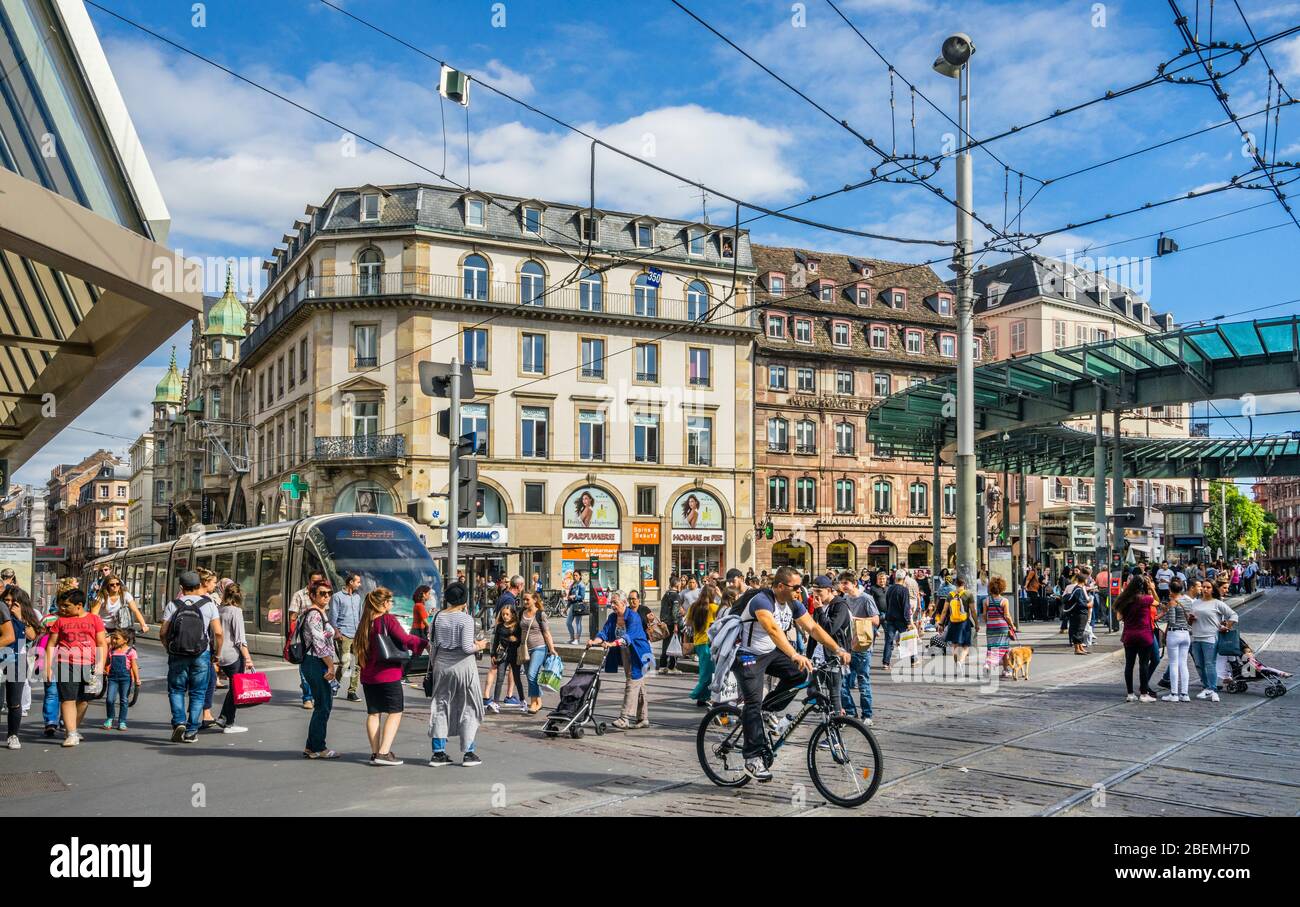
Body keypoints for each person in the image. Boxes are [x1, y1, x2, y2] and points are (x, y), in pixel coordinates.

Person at [731, 566, 852, 782]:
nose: (800, 591)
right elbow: (773, 630)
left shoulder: (793, 604)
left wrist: (838, 649)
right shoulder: (762, 600)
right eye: (796, 587)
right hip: (747, 655)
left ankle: (768, 710)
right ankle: (752, 758)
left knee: (799, 675)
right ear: (780, 586)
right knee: (752, 703)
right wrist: (795, 654)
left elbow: (813, 628)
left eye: (801, 586)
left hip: (770, 652)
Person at [352, 587, 428, 766]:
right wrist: (425, 643)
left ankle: (375, 752)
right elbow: (405, 639)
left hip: (368, 675)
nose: (392, 604)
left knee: (373, 713)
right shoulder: (387, 619)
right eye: (391, 601)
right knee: (395, 711)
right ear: (384, 603)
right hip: (388, 674)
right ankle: (384, 752)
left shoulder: (365, 622)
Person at [427, 581, 487, 766]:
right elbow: (467, 647)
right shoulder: (466, 619)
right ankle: (469, 752)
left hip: (442, 666)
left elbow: (433, 645)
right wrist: (481, 645)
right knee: (469, 706)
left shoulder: (437, 617)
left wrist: (433, 666)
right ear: (464, 599)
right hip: (463, 667)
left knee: (441, 705)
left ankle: (438, 752)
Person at [161, 570, 222, 743]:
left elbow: (163, 632)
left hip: (177, 653)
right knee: (198, 692)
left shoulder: (173, 605)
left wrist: (168, 648)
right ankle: (191, 731)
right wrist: (217, 652)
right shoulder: (209, 604)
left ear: (182, 587)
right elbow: (218, 633)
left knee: (176, 689)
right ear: (199, 586)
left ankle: (179, 722)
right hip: (201, 653)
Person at [42, 589, 106, 747]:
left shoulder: (94, 619)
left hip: (90, 665)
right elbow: (51, 644)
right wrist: (48, 667)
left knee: (84, 700)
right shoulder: (60, 622)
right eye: (62, 606)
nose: (62, 609)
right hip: (65, 665)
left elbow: (101, 643)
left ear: (79, 606)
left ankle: (73, 729)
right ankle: (71, 733)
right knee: (67, 699)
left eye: (66, 606)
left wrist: (100, 665)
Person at [589, 591, 655, 730]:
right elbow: (604, 632)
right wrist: (594, 641)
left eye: (615, 603)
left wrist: (612, 644)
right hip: (626, 652)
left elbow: (628, 636)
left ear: (624, 603)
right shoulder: (613, 617)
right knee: (639, 685)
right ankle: (643, 718)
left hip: (640, 653)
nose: (612, 605)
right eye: (611, 602)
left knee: (632, 682)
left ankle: (624, 718)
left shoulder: (633, 617)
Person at [299, 579, 339, 758]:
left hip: (318, 661)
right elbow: (319, 642)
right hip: (316, 662)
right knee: (323, 705)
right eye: (322, 593)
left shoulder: (320, 613)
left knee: (323, 704)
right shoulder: (314, 615)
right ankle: (319, 748)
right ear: (313, 595)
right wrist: (330, 665)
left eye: (329, 593)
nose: (327, 597)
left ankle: (311, 747)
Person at [834, 572, 878, 725]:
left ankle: (867, 715)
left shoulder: (866, 599)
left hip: (863, 645)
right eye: (841, 583)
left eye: (845, 583)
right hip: (847, 646)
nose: (843, 586)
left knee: (863, 680)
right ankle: (851, 711)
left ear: (854, 583)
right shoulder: (844, 599)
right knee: (843, 681)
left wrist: (856, 619)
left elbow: (876, 620)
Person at [1188, 580, 1237, 702]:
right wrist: (1190, 619)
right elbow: (1189, 621)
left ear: (1213, 589)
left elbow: (1234, 615)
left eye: (1208, 587)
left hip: (1210, 638)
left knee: (1210, 664)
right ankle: (1206, 687)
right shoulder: (1195, 603)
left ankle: (1213, 689)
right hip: (1195, 637)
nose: (1205, 589)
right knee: (1199, 665)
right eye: (1203, 587)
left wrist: (1227, 626)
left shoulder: (1217, 603)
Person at [2, 586, 38, 748]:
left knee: (14, 702)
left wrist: (21, 617)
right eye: (6, 600)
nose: (9, 604)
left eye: (13, 601)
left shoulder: (24, 617)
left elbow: (32, 636)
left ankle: (13, 735)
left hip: (17, 661)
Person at [215, 584, 253, 734]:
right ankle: (227, 721)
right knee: (236, 688)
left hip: (221, 655)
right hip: (233, 655)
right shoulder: (236, 611)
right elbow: (240, 639)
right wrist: (248, 658)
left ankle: (225, 718)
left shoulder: (219, 610)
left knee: (234, 688)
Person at [1116, 575, 1158, 702]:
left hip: (1129, 635)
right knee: (1144, 665)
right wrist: (1152, 589)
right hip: (1144, 635)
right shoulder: (1146, 599)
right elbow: (1157, 602)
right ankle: (1144, 694)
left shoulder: (1123, 600)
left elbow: (1118, 617)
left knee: (1129, 664)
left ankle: (1130, 694)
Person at [516, 591, 558, 714]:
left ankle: (534, 703)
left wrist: (552, 649)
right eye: (523, 599)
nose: (525, 602)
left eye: (527, 599)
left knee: (531, 674)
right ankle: (538, 700)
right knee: (531, 677)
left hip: (539, 647)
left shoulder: (540, 614)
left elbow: (546, 632)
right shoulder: (521, 613)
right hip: (525, 649)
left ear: (535, 600)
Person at [289, 570, 325, 709]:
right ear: (309, 581)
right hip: (304, 640)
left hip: (320, 638)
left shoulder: (323, 594)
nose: (316, 584)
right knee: (305, 669)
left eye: (319, 581)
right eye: (314, 581)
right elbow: (292, 617)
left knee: (320, 668)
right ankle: (307, 697)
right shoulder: (299, 595)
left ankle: (316, 693)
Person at [1157, 578, 1193, 703]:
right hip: (1186, 634)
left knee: (1173, 663)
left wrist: (1165, 612)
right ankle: (1185, 693)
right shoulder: (1188, 601)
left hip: (1175, 633)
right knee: (1183, 664)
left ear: (1170, 590)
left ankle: (1174, 693)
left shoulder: (1173, 602)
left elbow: (1171, 621)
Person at [329, 572, 364, 702]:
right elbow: (332, 616)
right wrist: (337, 633)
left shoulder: (357, 598)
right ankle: (334, 686)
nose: (359, 585)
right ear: (351, 582)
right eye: (358, 582)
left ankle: (352, 691)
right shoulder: (337, 597)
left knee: (357, 664)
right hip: (344, 634)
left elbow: (360, 617)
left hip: (356, 635)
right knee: (345, 662)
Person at [687, 585, 721, 707]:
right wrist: (721, 595)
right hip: (710, 643)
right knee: (709, 672)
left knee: (705, 670)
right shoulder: (714, 608)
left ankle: (703, 697)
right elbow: (729, 612)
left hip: (699, 642)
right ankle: (697, 694)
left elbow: (688, 623)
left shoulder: (693, 606)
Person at [482, 605, 521, 713]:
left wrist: (515, 639)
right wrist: (493, 654)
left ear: (513, 615)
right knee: (500, 678)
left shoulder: (517, 626)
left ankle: (520, 700)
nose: (504, 616)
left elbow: (520, 640)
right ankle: (495, 702)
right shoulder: (499, 626)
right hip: (502, 655)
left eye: (507, 614)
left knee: (516, 677)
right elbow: (495, 642)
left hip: (513, 655)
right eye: (503, 614)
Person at [100, 629, 138, 731]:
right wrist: (103, 668)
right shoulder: (111, 651)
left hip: (125, 678)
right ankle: (110, 718)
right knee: (109, 699)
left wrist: (137, 679)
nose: (114, 641)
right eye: (113, 638)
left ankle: (122, 721)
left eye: (117, 639)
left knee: (123, 700)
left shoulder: (131, 651)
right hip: (112, 678)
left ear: (125, 640)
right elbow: (107, 662)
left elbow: (134, 666)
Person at [940, 575, 977, 665]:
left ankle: (956, 658)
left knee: (954, 643)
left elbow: (944, 611)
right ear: (964, 584)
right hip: (964, 623)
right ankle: (961, 660)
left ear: (955, 584)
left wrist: (941, 623)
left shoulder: (950, 595)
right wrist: (976, 624)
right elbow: (973, 611)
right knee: (966, 645)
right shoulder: (968, 594)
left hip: (952, 622)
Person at [982, 576, 1014, 677]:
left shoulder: (986, 601)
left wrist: (988, 622)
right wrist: (1012, 625)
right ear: (1002, 588)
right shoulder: (1004, 601)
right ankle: (988, 664)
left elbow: (984, 615)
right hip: (1002, 627)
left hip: (991, 626)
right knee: (1004, 647)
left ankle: (1004, 669)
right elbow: (1007, 615)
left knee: (992, 647)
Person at [881, 570, 911, 671]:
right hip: (901, 619)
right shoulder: (904, 590)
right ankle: (909, 661)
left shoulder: (889, 589)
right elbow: (906, 607)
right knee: (905, 640)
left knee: (888, 641)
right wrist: (908, 621)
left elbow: (887, 603)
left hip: (890, 618)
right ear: (904, 578)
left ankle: (886, 663)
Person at [658, 575, 686, 672]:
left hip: (665, 623)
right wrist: (675, 624)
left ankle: (662, 666)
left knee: (666, 645)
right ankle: (671, 666)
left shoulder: (666, 595)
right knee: (675, 644)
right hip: (672, 624)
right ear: (677, 584)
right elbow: (675, 611)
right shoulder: (675, 596)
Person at [1063, 568, 1092, 655]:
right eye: (1086, 579)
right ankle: (1077, 648)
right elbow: (1080, 602)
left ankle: (1080, 647)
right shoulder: (1078, 590)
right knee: (1078, 630)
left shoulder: (1078, 588)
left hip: (1079, 613)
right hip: (1079, 613)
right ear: (1083, 580)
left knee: (1080, 630)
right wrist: (1088, 605)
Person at [565, 570, 587, 645]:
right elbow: (569, 597)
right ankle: (572, 638)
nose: (575, 577)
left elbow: (582, 596)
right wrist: (566, 607)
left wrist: (575, 596)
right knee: (568, 623)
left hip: (578, 605)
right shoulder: (573, 584)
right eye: (574, 575)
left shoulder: (581, 585)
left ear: (580, 576)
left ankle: (577, 639)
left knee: (578, 623)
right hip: (572, 605)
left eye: (576, 575)